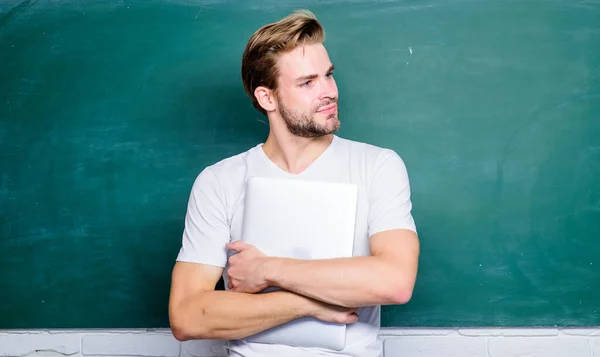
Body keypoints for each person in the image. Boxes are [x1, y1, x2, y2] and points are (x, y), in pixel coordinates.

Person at [168, 9, 420, 357]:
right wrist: (308, 304)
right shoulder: (219, 181)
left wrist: (268, 270)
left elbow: (395, 282)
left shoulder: (377, 166)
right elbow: (186, 317)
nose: (329, 91)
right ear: (266, 98)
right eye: (307, 82)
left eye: (328, 76)